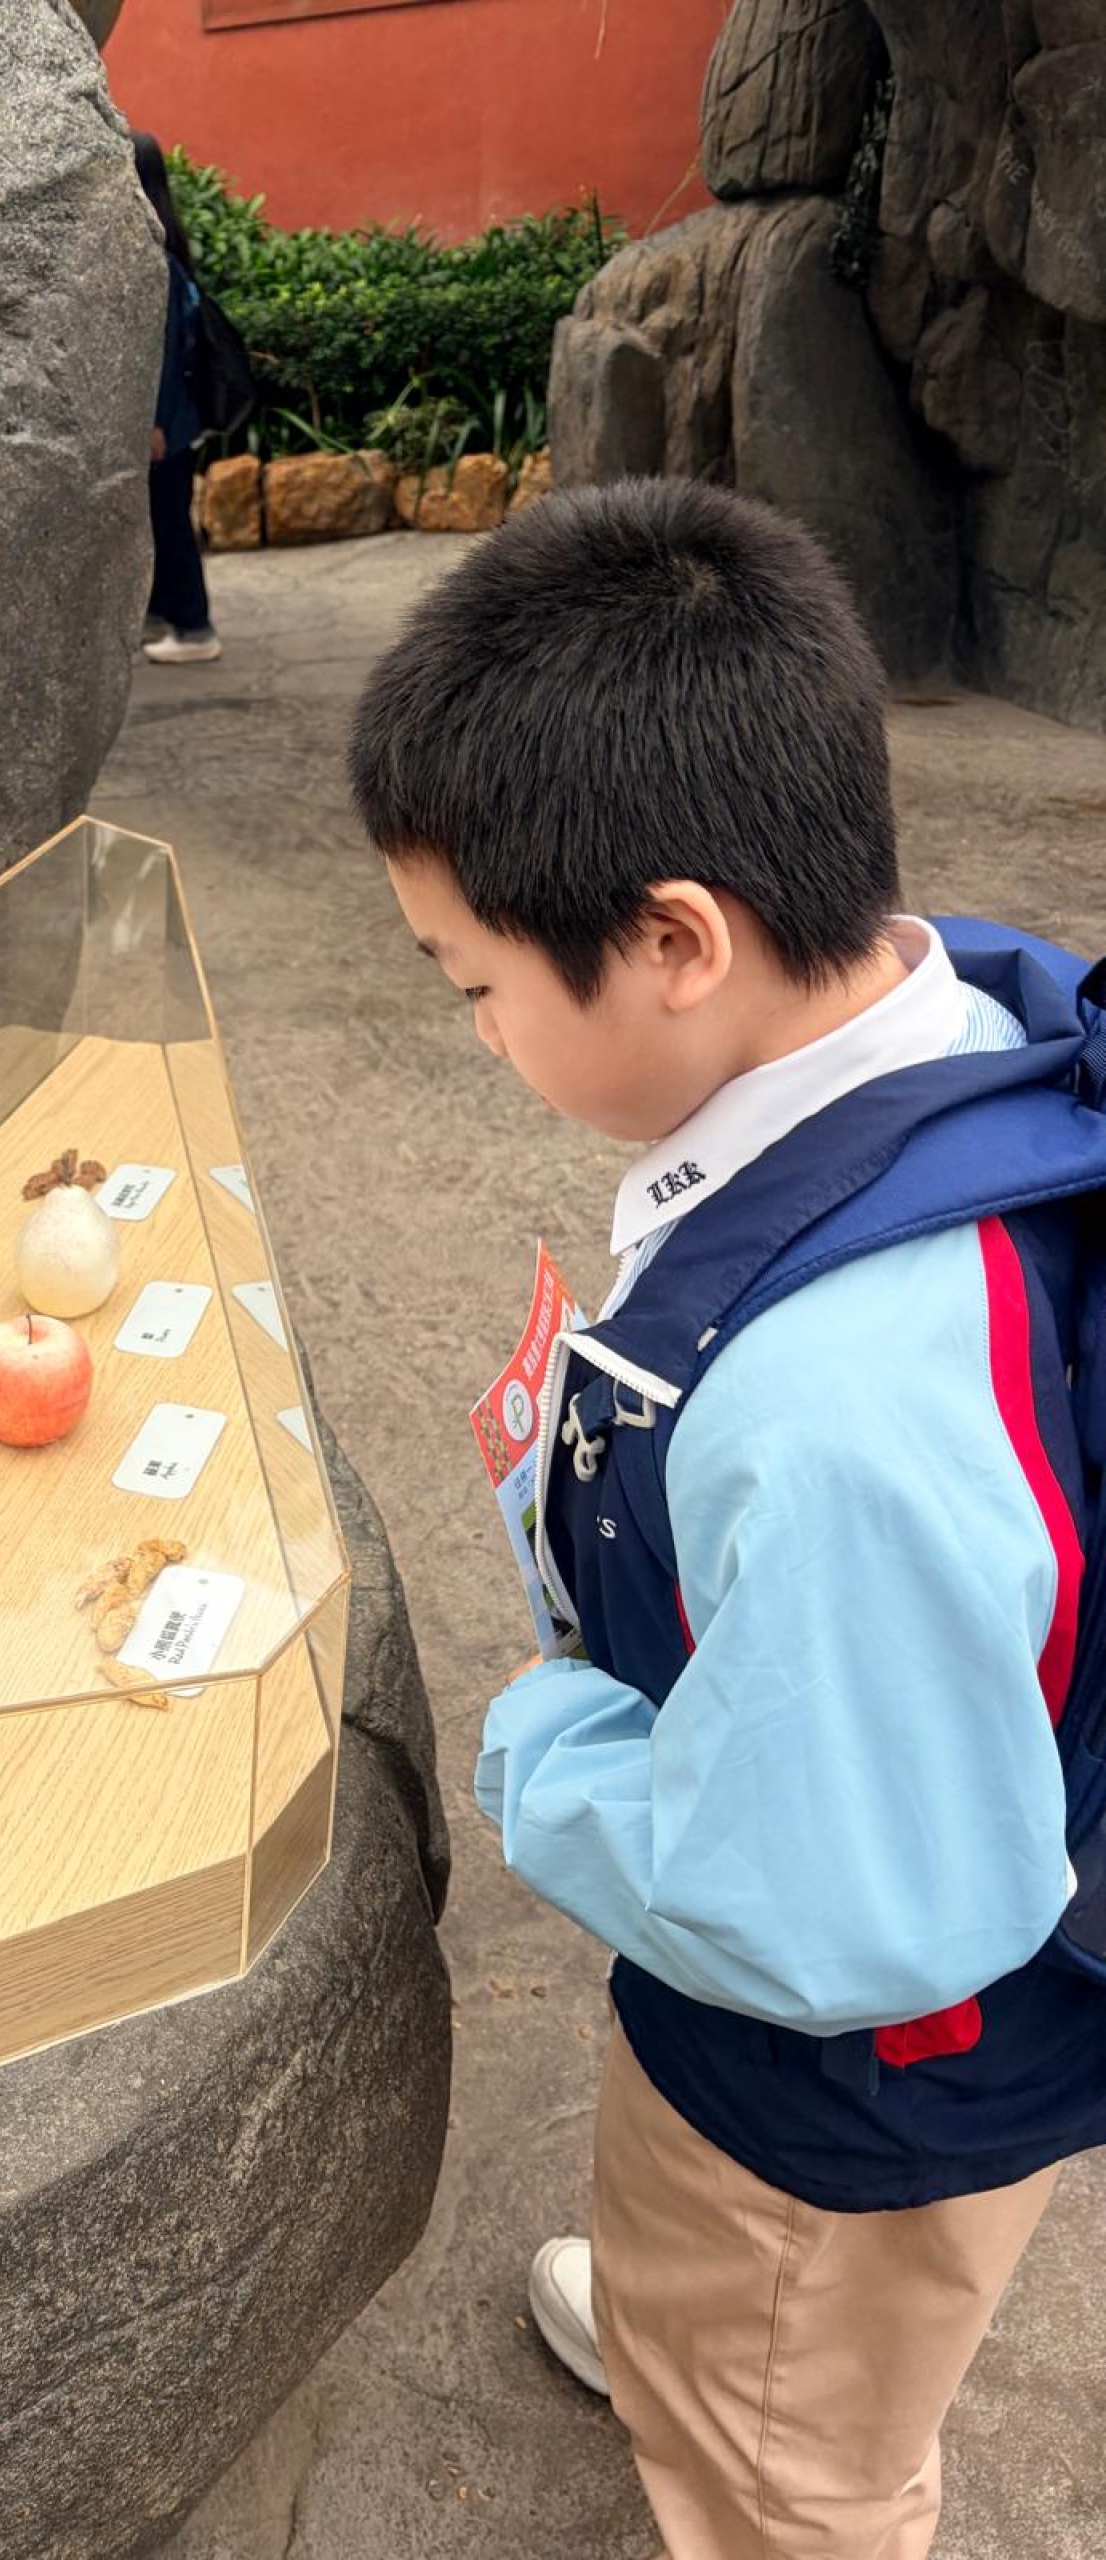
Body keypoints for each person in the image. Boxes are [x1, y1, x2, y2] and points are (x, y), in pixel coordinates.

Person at [346, 477, 1106, 2560]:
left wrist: (540, 1744)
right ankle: (700, 2328)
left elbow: (834, 1909)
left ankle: (746, 2405)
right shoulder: (941, 1020)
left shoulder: (839, 1412)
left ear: (679, 942)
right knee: (732, 2300)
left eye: (473, 983)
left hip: (858, 2088)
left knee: (797, 2461)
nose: (476, 1030)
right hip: (967, 1887)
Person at [132, 133, 220, 666]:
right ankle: (165, 613)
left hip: (168, 424)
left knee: (169, 523)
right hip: (175, 420)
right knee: (160, 518)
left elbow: (163, 353)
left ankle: (195, 628)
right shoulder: (166, 248)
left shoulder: (158, 260)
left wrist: (155, 424)